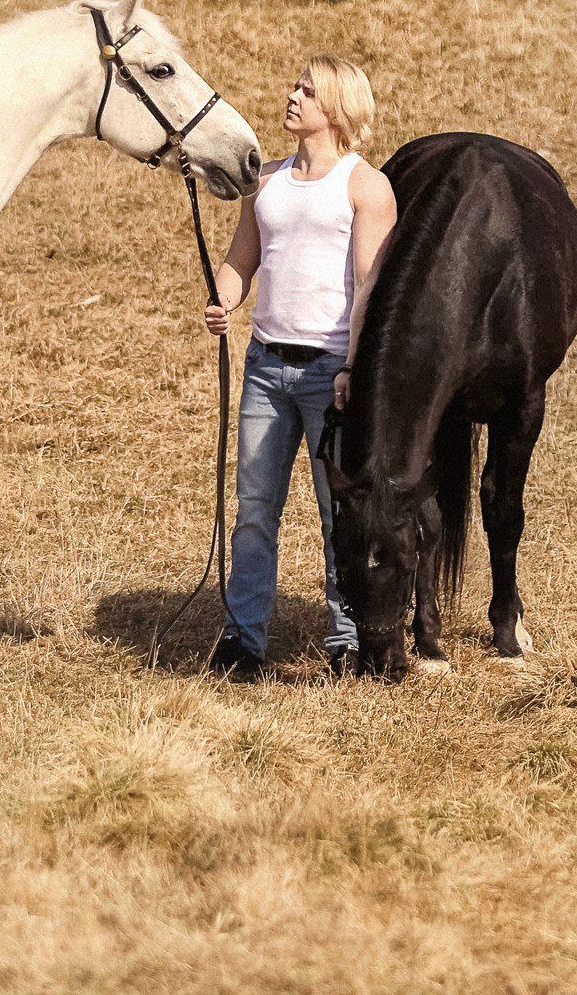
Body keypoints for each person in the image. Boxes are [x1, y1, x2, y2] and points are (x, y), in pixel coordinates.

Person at [201, 55, 396, 681]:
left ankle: (345, 642)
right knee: (255, 508)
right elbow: (240, 261)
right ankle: (243, 643)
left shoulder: (365, 188)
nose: (292, 97)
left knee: (337, 514)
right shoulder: (267, 182)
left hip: (329, 376)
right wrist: (224, 298)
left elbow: (370, 290)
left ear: (335, 110)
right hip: (264, 369)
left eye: (307, 92)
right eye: (294, 86)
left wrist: (354, 369)